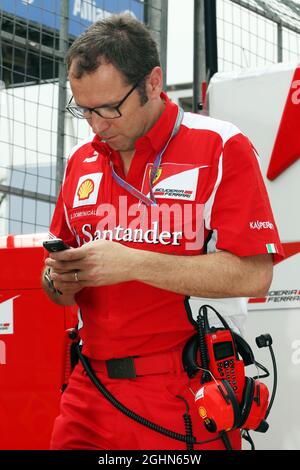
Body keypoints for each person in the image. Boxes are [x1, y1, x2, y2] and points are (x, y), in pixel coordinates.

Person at [42, 13, 283, 451]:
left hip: (185, 387)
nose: (97, 125)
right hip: (88, 389)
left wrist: (132, 263)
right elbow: (59, 288)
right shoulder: (81, 161)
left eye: (110, 108)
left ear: (154, 83)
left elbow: (254, 274)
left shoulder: (220, 146)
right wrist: (58, 280)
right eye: (84, 109)